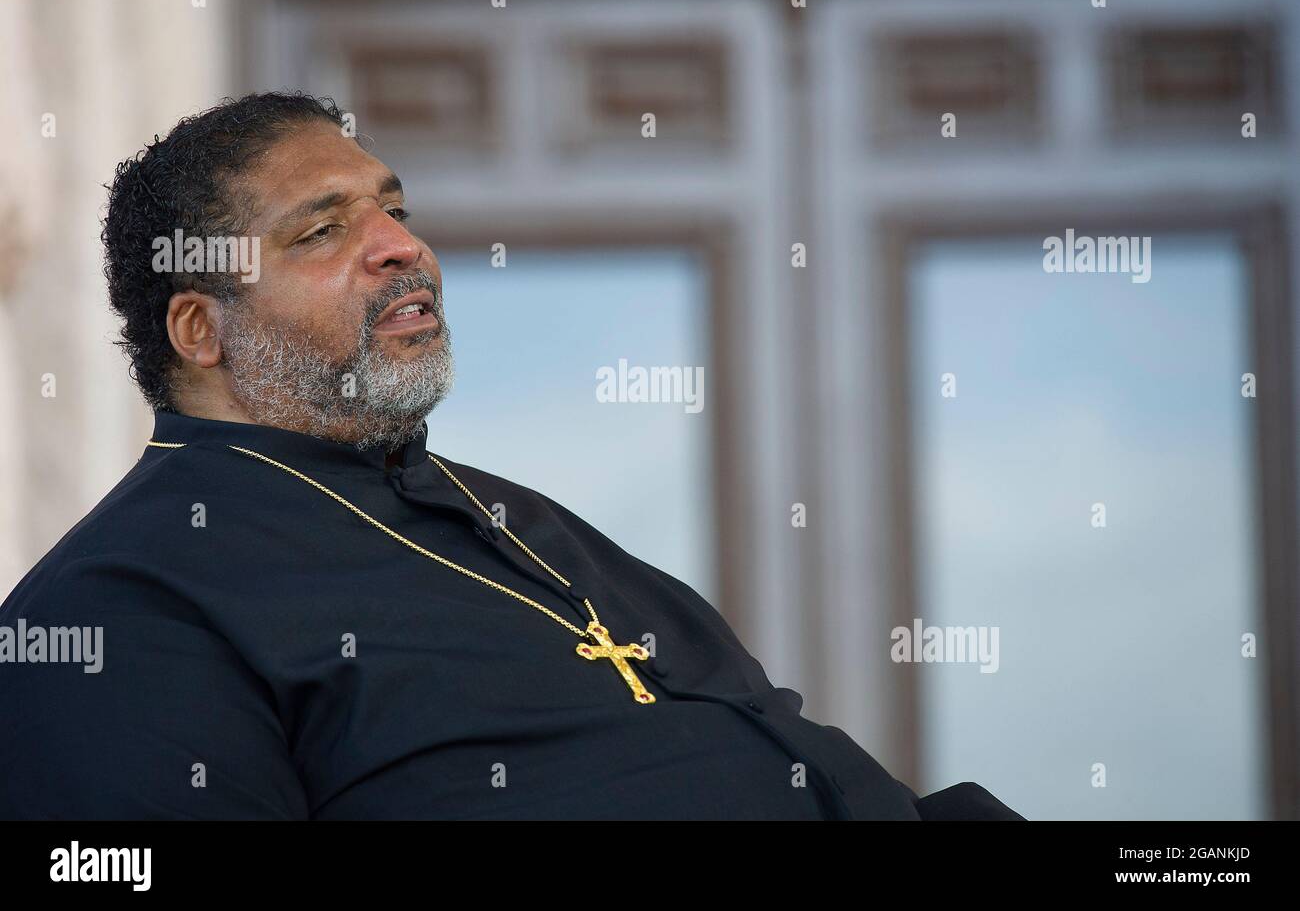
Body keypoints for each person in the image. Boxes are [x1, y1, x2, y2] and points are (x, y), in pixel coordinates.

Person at [0, 92, 1023, 820]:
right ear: (199, 328)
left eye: (392, 208)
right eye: (321, 229)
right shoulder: (111, 608)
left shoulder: (508, 513)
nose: (401, 245)